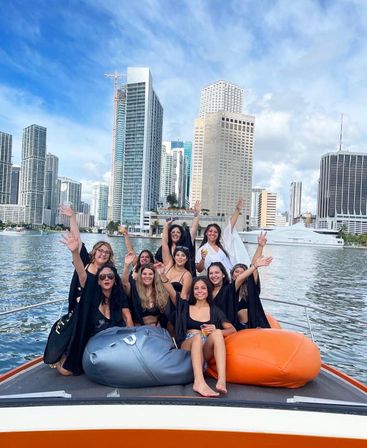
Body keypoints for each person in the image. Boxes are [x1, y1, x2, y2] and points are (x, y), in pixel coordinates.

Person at [56, 232, 133, 376]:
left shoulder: (118, 294)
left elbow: (127, 317)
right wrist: (74, 252)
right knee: (67, 371)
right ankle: (59, 359)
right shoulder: (92, 293)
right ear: (97, 281)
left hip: (109, 340)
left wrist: (132, 343)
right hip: (88, 335)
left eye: (110, 277)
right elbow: (81, 271)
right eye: (102, 277)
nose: (106, 279)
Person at [156, 266, 236, 398]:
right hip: (188, 345)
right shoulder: (185, 307)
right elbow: (171, 292)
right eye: (196, 288)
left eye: (203, 288)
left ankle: (222, 380)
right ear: (192, 291)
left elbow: (232, 330)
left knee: (216, 334)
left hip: (205, 349)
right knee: (198, 337)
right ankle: (199, 382)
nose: (200, 291)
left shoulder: (215, 310)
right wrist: (162, 275)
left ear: (208, 291)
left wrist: (217, 330)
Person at [60, 204, 115, 311]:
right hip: (76, 308)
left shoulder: (108, 273)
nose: (103, 254)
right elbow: (77, 240)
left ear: (109, 256)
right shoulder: (85, 260)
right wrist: (72, 217)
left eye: (107, 253)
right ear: (95, 251)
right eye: (101, 251)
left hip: (95, 312)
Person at [207, 255, 272, 328]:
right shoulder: (206, 291)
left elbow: (239, 279)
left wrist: (255, 266)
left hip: (227, 328)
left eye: (217, 272)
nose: (213, 275)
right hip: (210, 326)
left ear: (223, 275)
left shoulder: (229, 289)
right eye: (211, 273)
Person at [230, 231, 271, 329]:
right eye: (236, 272)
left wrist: (260, 246)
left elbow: (254, 266)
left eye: (243, 272)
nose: (240, 274)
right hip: (238, 329)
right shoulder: (229, 290)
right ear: (232, 276)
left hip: (254, 327)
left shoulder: (251, 287)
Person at [196, 198, 245, 277]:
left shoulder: (223, 246)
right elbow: (199, 269)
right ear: (206, 233)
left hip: (231, 278)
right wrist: (203, 259)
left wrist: (237, 210)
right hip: (216, 280)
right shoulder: (202, 249)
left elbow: (229, 227)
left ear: (218, 235)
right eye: (210, 231)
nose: (213, 233)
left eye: (216, 232)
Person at [122, 252, 170, 326]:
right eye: (144, 274)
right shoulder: (135, 290)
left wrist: (162, 274)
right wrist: (126, 265)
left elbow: (171, 293)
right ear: (140, 276)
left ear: (154, 276)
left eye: (150, 274)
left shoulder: (159, 291)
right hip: (140, 328)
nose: (147, 276)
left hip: (157, 328)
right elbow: (125, 283)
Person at [155, 200, 201, 274]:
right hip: (170, 278)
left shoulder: (186, 244)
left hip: (188, 276)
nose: (175, 234)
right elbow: (158, 262)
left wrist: (197, 214)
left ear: (181, 235)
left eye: (178, 232)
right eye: (173, 232)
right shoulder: (163, 248)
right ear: (169, 234)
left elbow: (193, 229)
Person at [161, 218, 192, 298]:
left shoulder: (187, 275)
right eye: (177, 255)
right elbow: (164, 244)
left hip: (173, 306)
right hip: (159, 303)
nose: (180, 258)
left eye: (183, 255)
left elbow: (184, 297)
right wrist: (166, 225)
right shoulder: (169, 264)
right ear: (174, 257)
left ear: (187, 259)